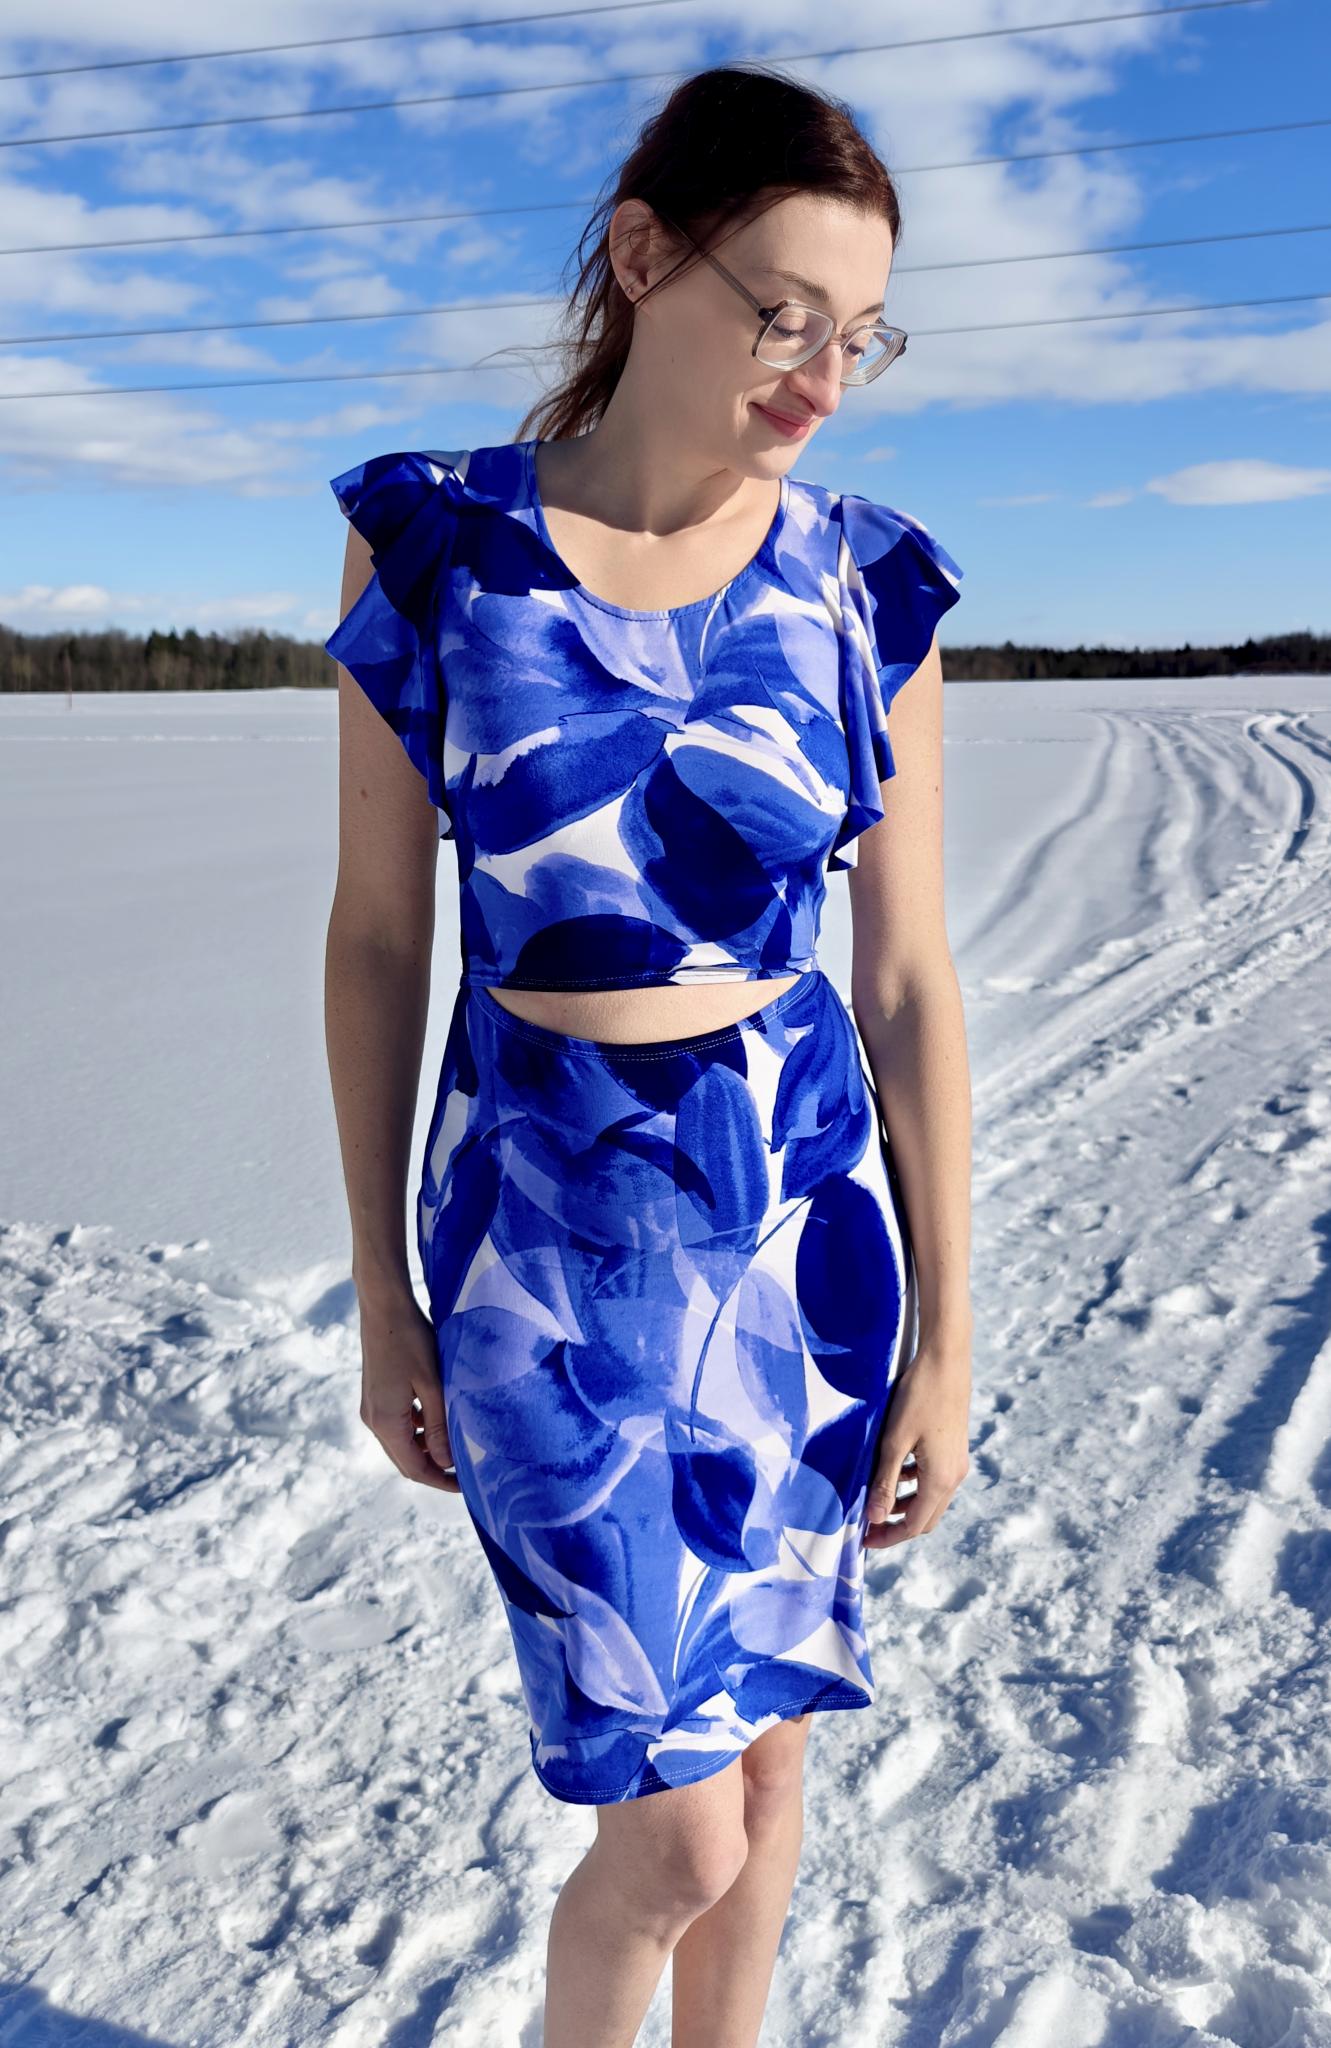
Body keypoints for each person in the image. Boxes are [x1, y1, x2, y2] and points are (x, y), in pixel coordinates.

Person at [323, 60, 974, 2048]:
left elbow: (913, 979)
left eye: (859, 336)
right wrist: (382, 1292)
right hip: (545, 1249)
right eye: (787, 313)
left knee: (770, 1776)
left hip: (795, 1237)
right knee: (673, 1832)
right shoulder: (438, 551)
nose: (824, 377)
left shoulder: (866, 584)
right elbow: (372, 937)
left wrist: (948, 1324)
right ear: (644, 254)